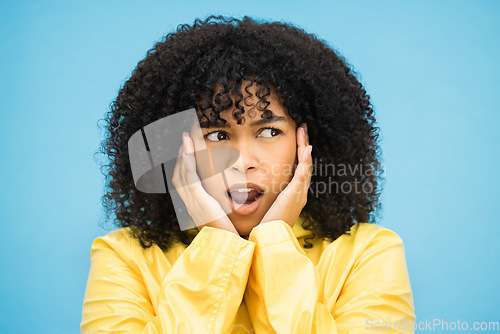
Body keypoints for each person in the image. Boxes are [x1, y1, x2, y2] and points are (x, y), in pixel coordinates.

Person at [81, 15, 416, 333]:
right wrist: (218, 247)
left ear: (309, 141)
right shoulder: (123, 258)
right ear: (177, 147)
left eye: (269, 131)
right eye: (217, 134)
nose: (242, 161)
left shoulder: (369, 254)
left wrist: (275, 242)